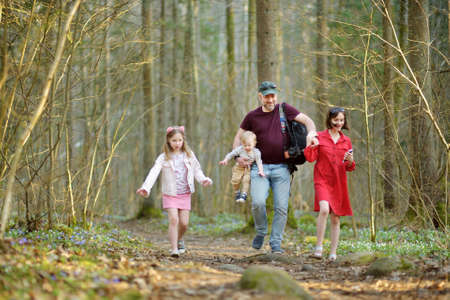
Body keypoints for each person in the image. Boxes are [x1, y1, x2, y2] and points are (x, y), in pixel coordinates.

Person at [233, 81, 319, 254]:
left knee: (281, 207)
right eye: (266, 96)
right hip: (259, 167)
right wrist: (238, 157)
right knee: (257, 202)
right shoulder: (252, 116)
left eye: (273, 95)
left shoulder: (284, 110)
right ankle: (261, 231)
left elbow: (307, 120)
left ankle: (276, 243)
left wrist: (311, 133)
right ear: (260, 97)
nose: (270, 99)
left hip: (282, 168)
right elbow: (238, 137)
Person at [136, 126, 213, 257]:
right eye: (174, 141)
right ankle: (174, 249)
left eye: (179, 140)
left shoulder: (189, 155)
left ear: (183, 140)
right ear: (168, 141)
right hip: (170, 194)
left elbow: (196, 170)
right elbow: (154, 172)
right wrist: (146, 187)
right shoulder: (163, 157)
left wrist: (203, 179)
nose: (177, 143)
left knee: (184, 223)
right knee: (173, 220)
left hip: (185, 193)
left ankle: (178, 239)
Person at [303, 107, 355, 261]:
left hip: (338, 182)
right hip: (322, 179)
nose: (339, 123)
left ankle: (333, 252)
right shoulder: (319, 136)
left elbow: (350, 167)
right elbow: (311, 158)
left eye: (341, 120)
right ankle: (318, 248)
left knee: (336, 218)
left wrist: (351, 161)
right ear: (329, 120)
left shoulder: (347, 141)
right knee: (324, 210)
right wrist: (309, 143)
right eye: (336, 120)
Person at [219, 131, 265, 203]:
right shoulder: (240, 149)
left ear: (254, 143)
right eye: (245, 145)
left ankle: (244, 195)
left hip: (248, 168)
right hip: (238, 167)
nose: (247, 147)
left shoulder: (256, 152)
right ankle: (237, 192)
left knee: (246, 180)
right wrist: (225, 160)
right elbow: (231, 154)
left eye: (249, 145)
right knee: (235, 180)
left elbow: (259, 162)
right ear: (242, 144)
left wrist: (261, 171)